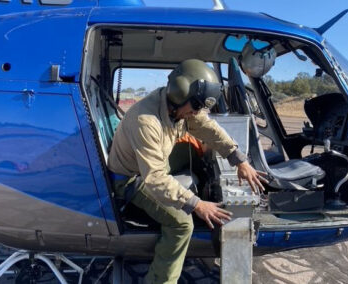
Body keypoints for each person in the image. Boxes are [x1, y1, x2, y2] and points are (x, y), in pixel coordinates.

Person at [108, 59, 266, 284]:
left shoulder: (179, 107)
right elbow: (155, 179)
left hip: (152, 163)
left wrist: (238, 158)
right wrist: (196, 204)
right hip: (132, 179)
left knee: (195, 150)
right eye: (196, 108)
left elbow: (208, 127)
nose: (197, 113)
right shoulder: (146, 121)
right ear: (180, 95)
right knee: (182, 223)